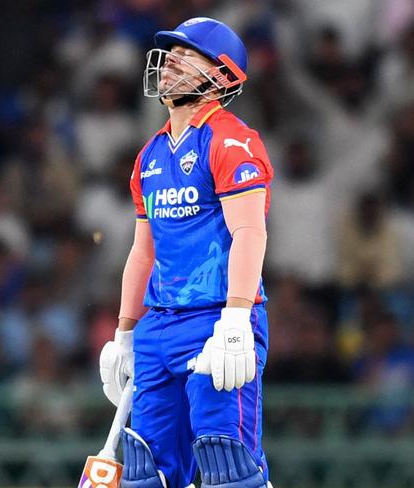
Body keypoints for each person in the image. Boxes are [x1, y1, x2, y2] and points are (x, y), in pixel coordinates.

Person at [99, 17, 274, 488]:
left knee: (227, 467)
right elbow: (142, 253)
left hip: (216, 320)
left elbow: (249, 233)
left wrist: (237, 319)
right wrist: (126, 333)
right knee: (145, 472)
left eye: (186, 53)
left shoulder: (231, 141)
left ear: (220, 74)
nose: (171, 60)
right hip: (159, 325)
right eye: (170, 51)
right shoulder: (149, 155)